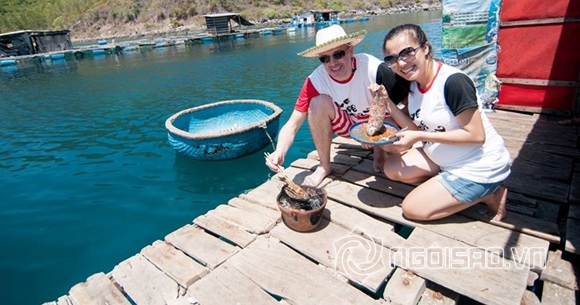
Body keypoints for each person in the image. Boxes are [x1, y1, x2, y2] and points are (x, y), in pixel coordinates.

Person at [371, 23, 511, 221]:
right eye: (392, 59)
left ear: (425, 48)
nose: (401, 63)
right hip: (443, 159)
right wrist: (388, 104)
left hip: (477, 165)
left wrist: (419, 136)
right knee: (392, 168)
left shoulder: (453, 82)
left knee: (412, 209)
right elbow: (415, 127)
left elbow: (476, 136)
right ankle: (446, 187)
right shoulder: (415, 85)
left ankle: (490, 193)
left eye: (407, 53)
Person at [264, 24, 407, 187]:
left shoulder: (373, 68)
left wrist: (377, 131)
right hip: (349, 125)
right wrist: (280, 151)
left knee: (396, 147)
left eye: (338, 54)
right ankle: (324, 166)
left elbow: (407, 103)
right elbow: (292, 125)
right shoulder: (315, 80)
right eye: (325, 58)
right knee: (317, 104)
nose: (332, 63)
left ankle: (379, 150)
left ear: (350, 50)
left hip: (380, 121)